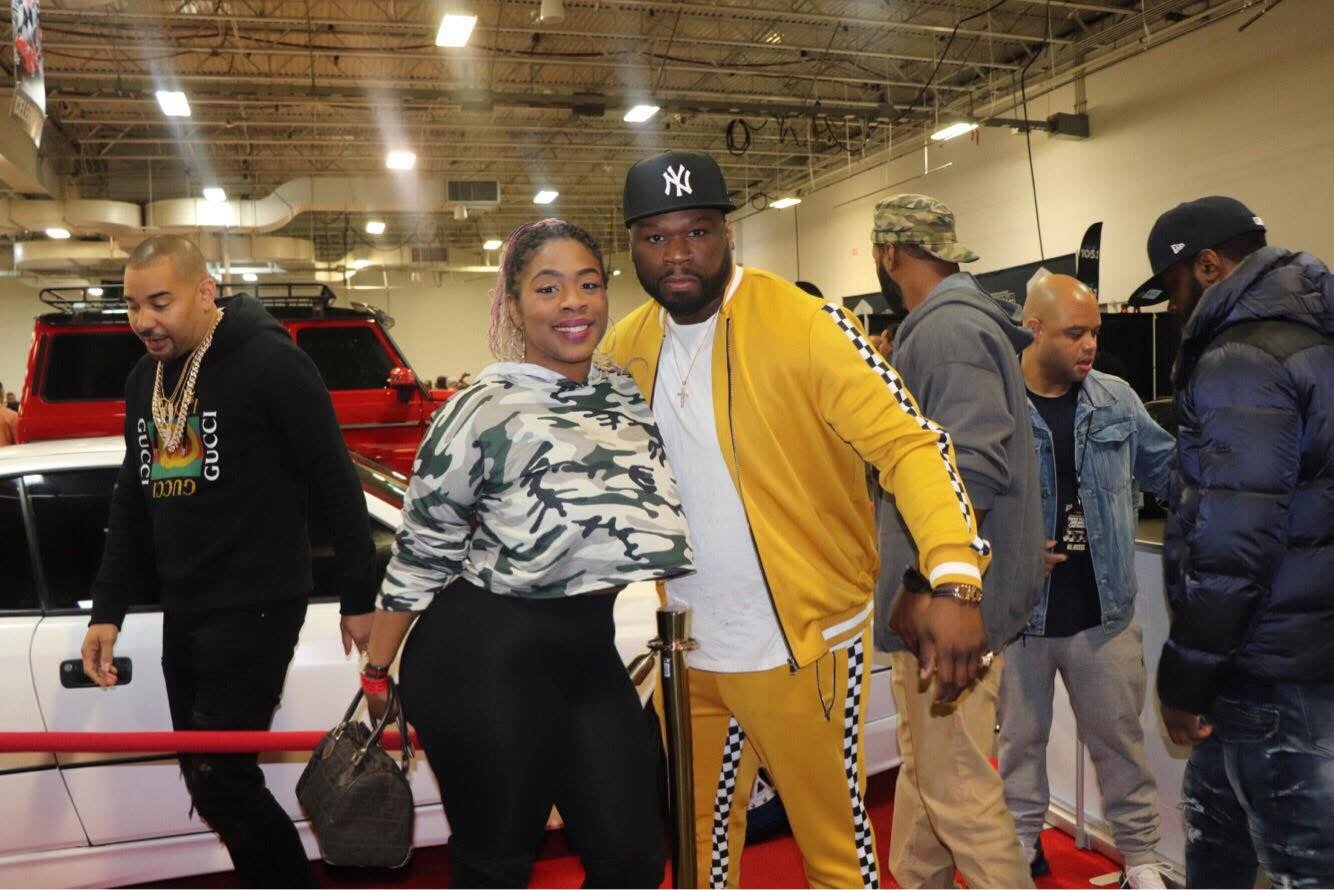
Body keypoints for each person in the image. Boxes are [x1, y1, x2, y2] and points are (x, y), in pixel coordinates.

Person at [607, 151, 991, 889]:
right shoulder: (626, 349)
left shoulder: (806, 323)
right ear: (631, 245)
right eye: (655, 237)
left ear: (727, 234)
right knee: (695, 849)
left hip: (804, 644)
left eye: (697, 232)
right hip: (688, 650)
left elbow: (911, 444)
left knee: (834, 855)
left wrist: (955, 575)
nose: (678, 253)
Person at [362, 219, 692, 889]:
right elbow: (423, 546)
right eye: (549, 288)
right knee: (497, 866)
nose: (573, 302)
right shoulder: (482, 404)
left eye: (588, 284)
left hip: (589, 656)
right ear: (514, 306)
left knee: (632, 862)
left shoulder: (623, 393)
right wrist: (376, 666)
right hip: (484, 656)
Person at [78, 235, 376, 887]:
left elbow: (333, 478)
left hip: (260, 599)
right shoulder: (144, 381)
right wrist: (108, 611)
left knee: (220, 777)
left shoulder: (269, 362)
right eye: (132, 306)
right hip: (187, 604)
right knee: (207, 774)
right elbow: (134, 498)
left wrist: (359, 595)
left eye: (161, 302)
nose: (144, 321)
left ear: (205, 291)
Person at [1129, 196, 1334, 888]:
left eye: (1173, 288)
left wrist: (1186, 679)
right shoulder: (1314, 335)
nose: (1170, 309)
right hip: (1302, 652)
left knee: (1300, 867)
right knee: (1220, 843)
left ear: (1208, 266)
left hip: (1266, 665)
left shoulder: (1240, 356)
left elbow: (1232, 545)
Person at [870, 193, 1044, 889]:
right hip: (962, 594)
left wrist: (926, 583)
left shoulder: (944, 334)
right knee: (929, 778)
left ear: (890, 255)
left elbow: (966, 465)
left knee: (960, 795)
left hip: (950, 607)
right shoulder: (961, 325)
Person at [998, 272, 1175, 888]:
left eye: (1095, 332)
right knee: (1018, 748)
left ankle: (1143, 858)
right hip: (1021, 617)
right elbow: (958, 497)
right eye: (1076, 333)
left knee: (1122, 746)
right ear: (1035, 328)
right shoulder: (997, 406)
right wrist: (1005, 552)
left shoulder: (1115, 399)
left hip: (1104, 613)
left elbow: (1167, 470)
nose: (1089, 345)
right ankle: (1019, 851)